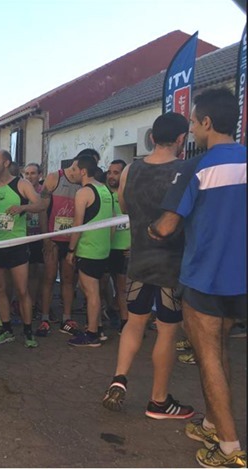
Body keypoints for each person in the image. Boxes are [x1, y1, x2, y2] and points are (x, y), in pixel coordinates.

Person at [150, 88, 247, 467]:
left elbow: (167, 225)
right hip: (240, 278)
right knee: (220, 352)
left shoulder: (196, 167)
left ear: (206, 123)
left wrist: (153, 232)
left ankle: (229, 449)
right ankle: (212, 422)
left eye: (192, 121)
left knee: (208, 359)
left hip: (205, 277)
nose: (190, 128)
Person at [101, 112, 195, 420]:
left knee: (135, 322)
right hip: (171, 263)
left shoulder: (131, 169)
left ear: (152, 138)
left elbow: (125, 207)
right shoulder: (186, 169)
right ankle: (158, 401)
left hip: (139, 259)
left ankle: (119, 378)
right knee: (167, 331)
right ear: (182, 139)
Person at [0, 150, 43, 348]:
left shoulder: (21, 184)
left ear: (6, 163)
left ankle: (28, 332)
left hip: (17, 245)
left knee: (21, 289)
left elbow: (40, 204)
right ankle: (7, 329)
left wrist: (22, 208)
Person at [65, 155, 113, 347]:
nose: (72, 172)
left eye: (74, 169)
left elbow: (78, 224)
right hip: (103, 248)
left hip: (89, 248)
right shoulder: (105, 190)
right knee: (95, 291)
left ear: (83, 171)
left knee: (90, 292)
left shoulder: (84, 192)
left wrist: (71, 250)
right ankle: (98, 329)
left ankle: (92, 334)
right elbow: (112, 222)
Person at [39, 155, 82, 336]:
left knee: (68, 279)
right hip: (53, 238)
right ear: (79, 167)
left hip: (70, 239)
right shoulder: (54, 178)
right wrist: (46, 237)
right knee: (49, 278)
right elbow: (42, 207)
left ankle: (66, 317)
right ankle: (44, 317)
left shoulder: (84, 184)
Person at [105, 160, 130, 332]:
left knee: (122, 288)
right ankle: (105, 313)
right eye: (109, 172)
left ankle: (125, 323)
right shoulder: (102, 194)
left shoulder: (130, 195)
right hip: (104, 248)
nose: (111, 176)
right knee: (100, 284)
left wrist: (134, 245)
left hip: (124, 249)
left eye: (116, 172)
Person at [23, 163, 46, 333]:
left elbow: (45, 213)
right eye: (27, 173)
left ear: (40, 175)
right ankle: (28, 304)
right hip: (25, 237)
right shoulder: (22, 191)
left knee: (40, 271)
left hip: (39, 236)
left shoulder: (44, 192)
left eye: (33, 173)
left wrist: (45, 237)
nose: (30, 176)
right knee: (29, 272)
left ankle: (38, 303)